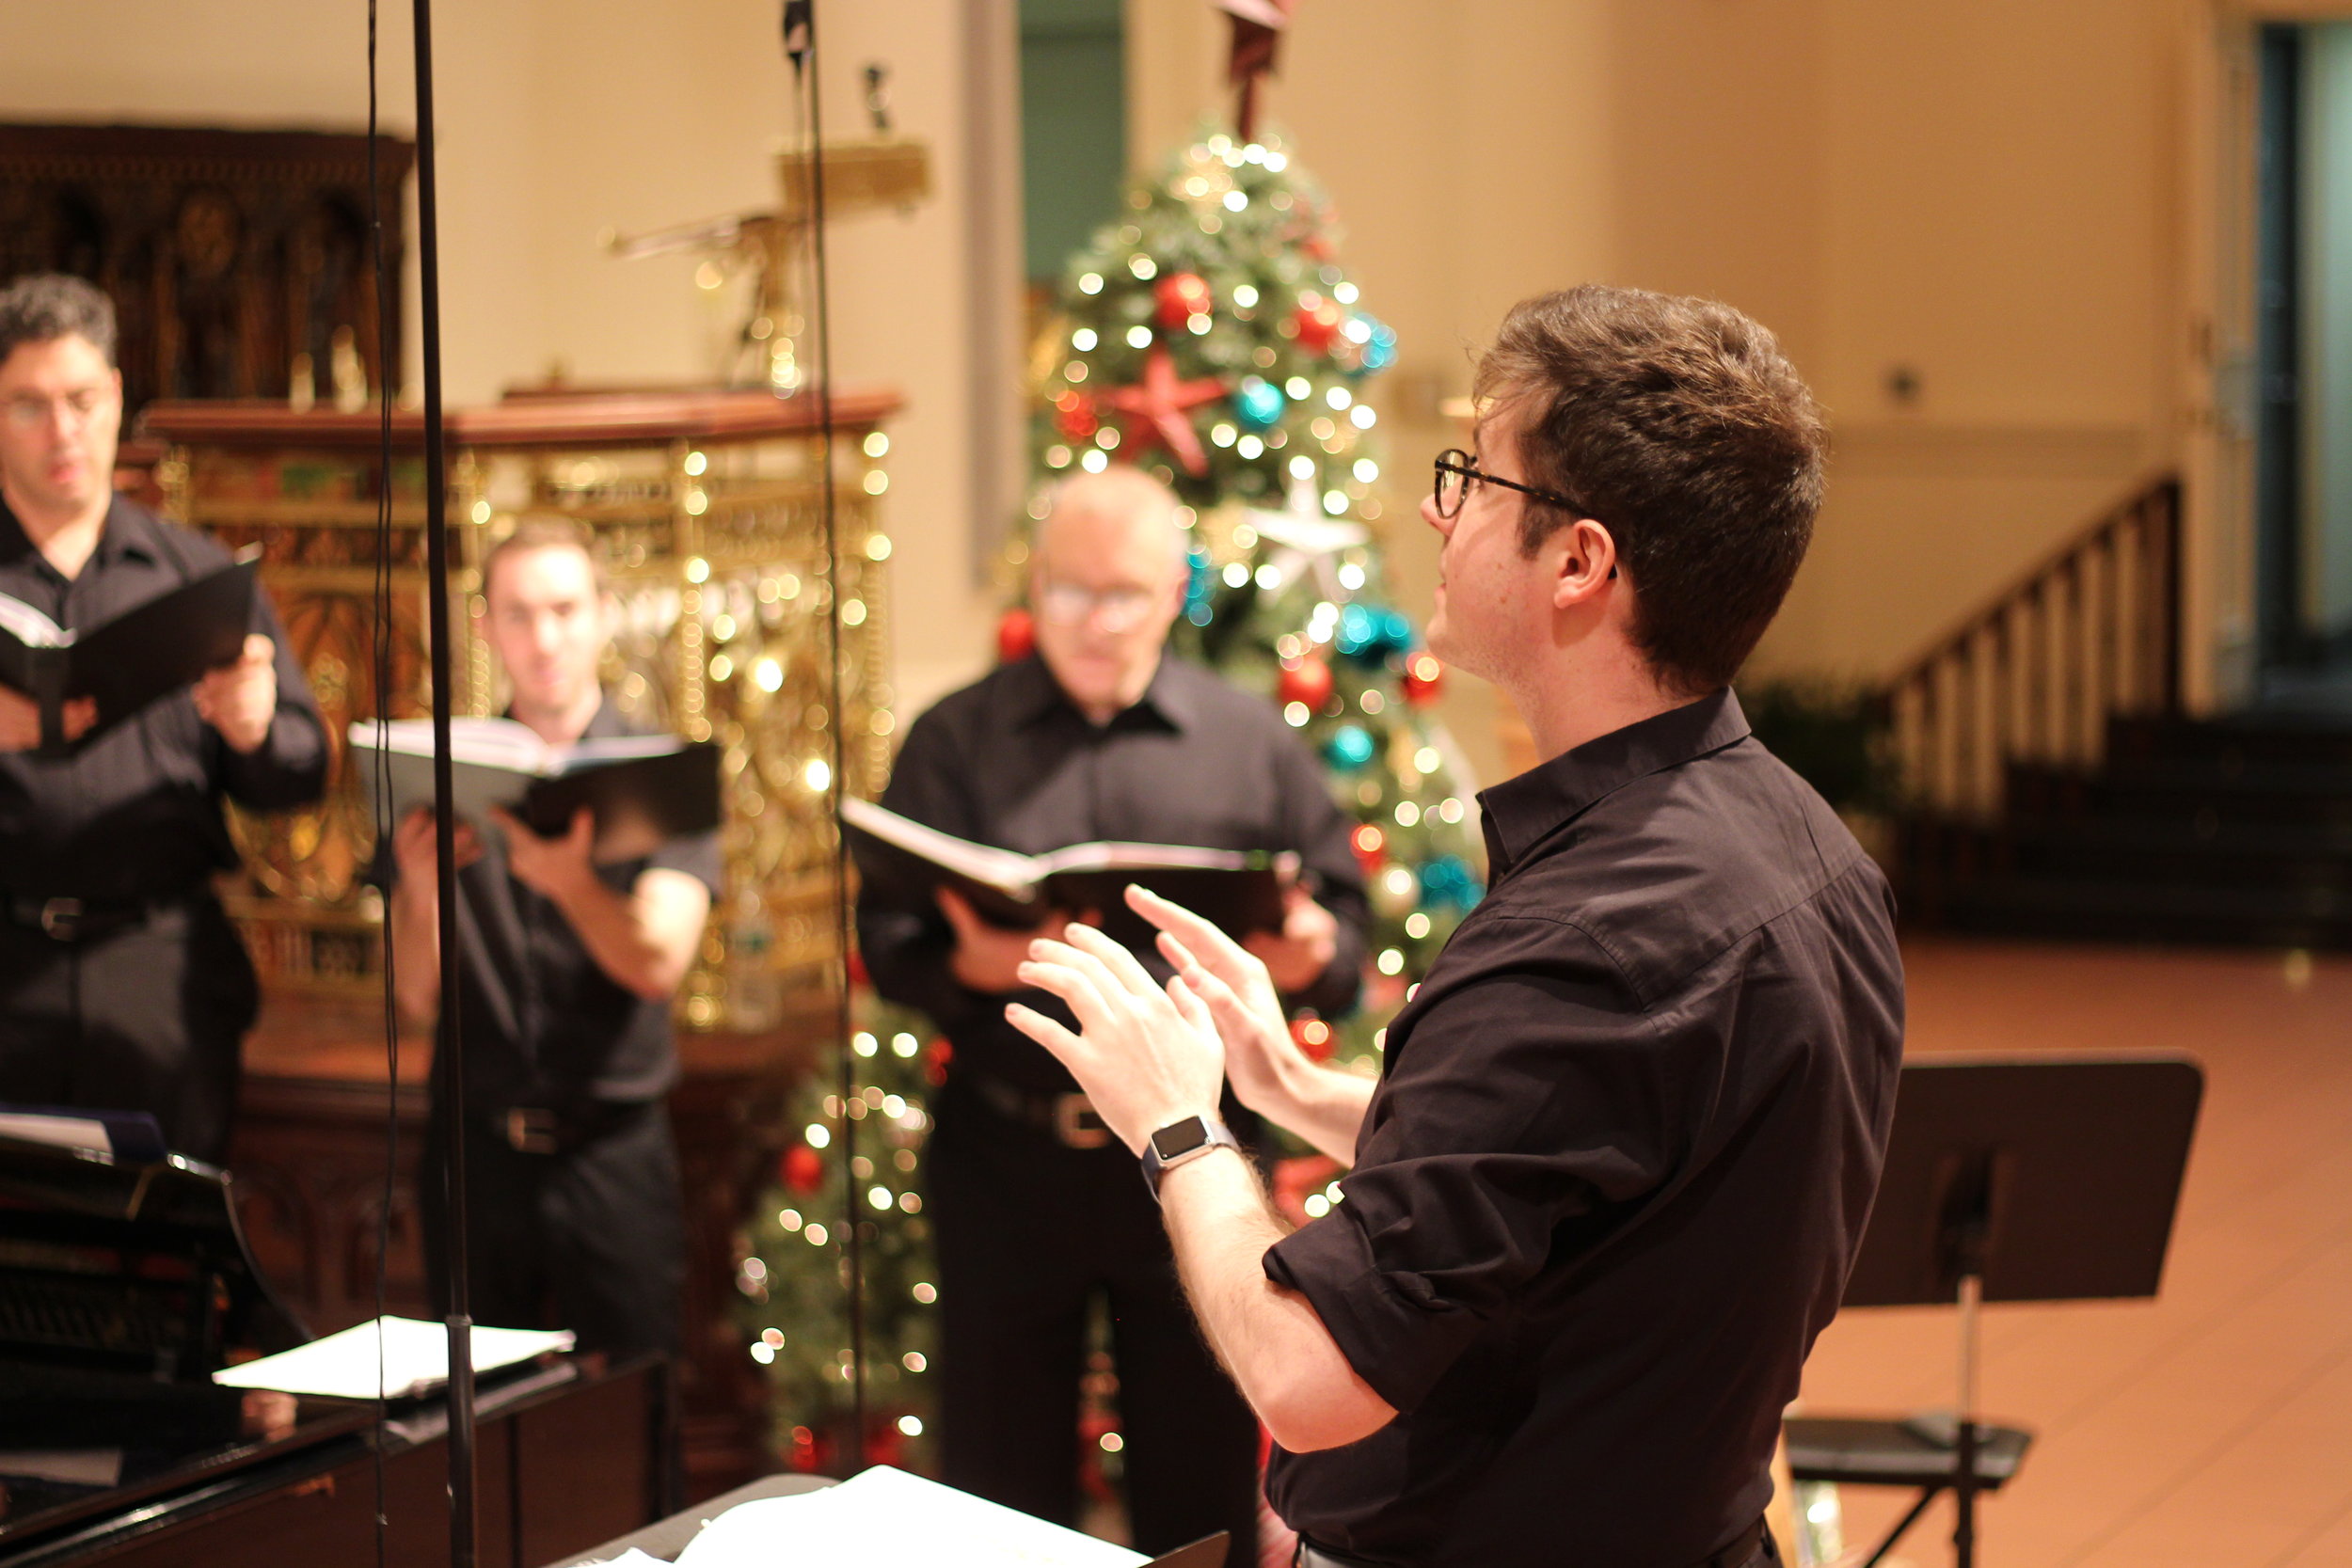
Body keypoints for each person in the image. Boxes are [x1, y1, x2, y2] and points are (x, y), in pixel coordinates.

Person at [1004, 286, 1906, 1568]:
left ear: (1581, 561)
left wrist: (1181, 1122)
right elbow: (1602, 1163)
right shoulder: (1809, 846)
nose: (1441, 510)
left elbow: (1308, 1375)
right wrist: (1303, 1088)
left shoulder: (1581, 939)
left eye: (1476, 479)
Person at [855, 466, 1371, 1562]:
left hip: (1196, 1158)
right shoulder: (955, 737)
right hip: (1007, 1151)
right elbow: (888, 942)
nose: (1095, 621)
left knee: (1202, 1470)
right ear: (1035, 586)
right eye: (1071, 591)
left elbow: (1342, 934)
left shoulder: (1248, 741)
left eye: (1125, 593)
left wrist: (1312, 949)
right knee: (999, 1475)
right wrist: (978, 966)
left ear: (1173, 589)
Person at [0, 273, 326, 1164]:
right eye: (28, 405)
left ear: (116, 401)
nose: (62, 430)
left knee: (163, 1257)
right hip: (4, 961)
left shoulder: (194, 575)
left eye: (81, 399)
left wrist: (257, 726)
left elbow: (302, 770)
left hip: (157, 966)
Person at [385, 518, 718, 1361]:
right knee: (481, 1428)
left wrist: (570, 882)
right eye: (520, 614)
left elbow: (656, 963)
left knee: (634, 1420)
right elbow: (416, 996)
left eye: (566, 610)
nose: (545, 639)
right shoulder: (446, 770)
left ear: (606, 615)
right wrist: (422, 888)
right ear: (487, 627)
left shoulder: (662, 771)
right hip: (475, 1151)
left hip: (612, 1149)